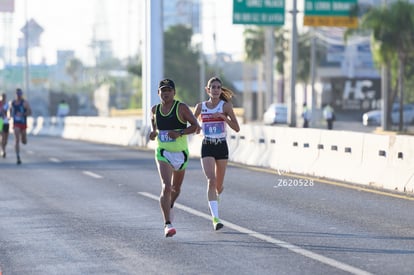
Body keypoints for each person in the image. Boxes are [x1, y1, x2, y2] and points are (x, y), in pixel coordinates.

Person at [149, 78, 199, 237]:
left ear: (174, 92)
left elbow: (196, 126)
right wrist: (153, 133)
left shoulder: (181, 108)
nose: (166, 93)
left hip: (181, 154)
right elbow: (154, 126)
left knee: (176, 189)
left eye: (169, 90)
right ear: (158, 93)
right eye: (162, 90)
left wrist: (179, 133)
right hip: (163, 152)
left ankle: (169, 205)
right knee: (166, 186)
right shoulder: (154, 110)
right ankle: (167, 224)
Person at [193, 76, 240, 231]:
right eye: (212, 87)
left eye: (218, 87)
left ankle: (216, 196)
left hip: (221, 146)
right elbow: (192, 124)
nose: (215, 90)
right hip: (207, 145)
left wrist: (223, 118)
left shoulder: (225, 106)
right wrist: (197, 128)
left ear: (221, 90)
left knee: (218, 186)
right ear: (207, 90)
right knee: (211, 181)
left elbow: (237, 127)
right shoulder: (200, 107)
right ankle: (215, 218)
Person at [11, 88, 32, 164]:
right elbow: (10, 111)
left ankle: (23, 138)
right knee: (16, 140)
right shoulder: (12, 103)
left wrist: (23, 114)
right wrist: (9, 115)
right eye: (17, 94)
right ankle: (18, 156)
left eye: (20, 94)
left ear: (21, 94)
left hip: (23, 123)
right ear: (15, 94)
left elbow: (30, 112)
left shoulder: (25, 103)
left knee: (24, 141)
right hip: (16, 123)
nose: (18, 95)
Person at [1, 93, 10, 158]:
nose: (3, 98)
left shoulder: (7, 104)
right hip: (0, 121)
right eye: (2, 96)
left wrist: (9, 116)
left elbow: (9, 112)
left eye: (4, 97)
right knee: (3, 136)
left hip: (6, 122)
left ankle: (3, 148)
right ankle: (3, 150)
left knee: (6, 138)